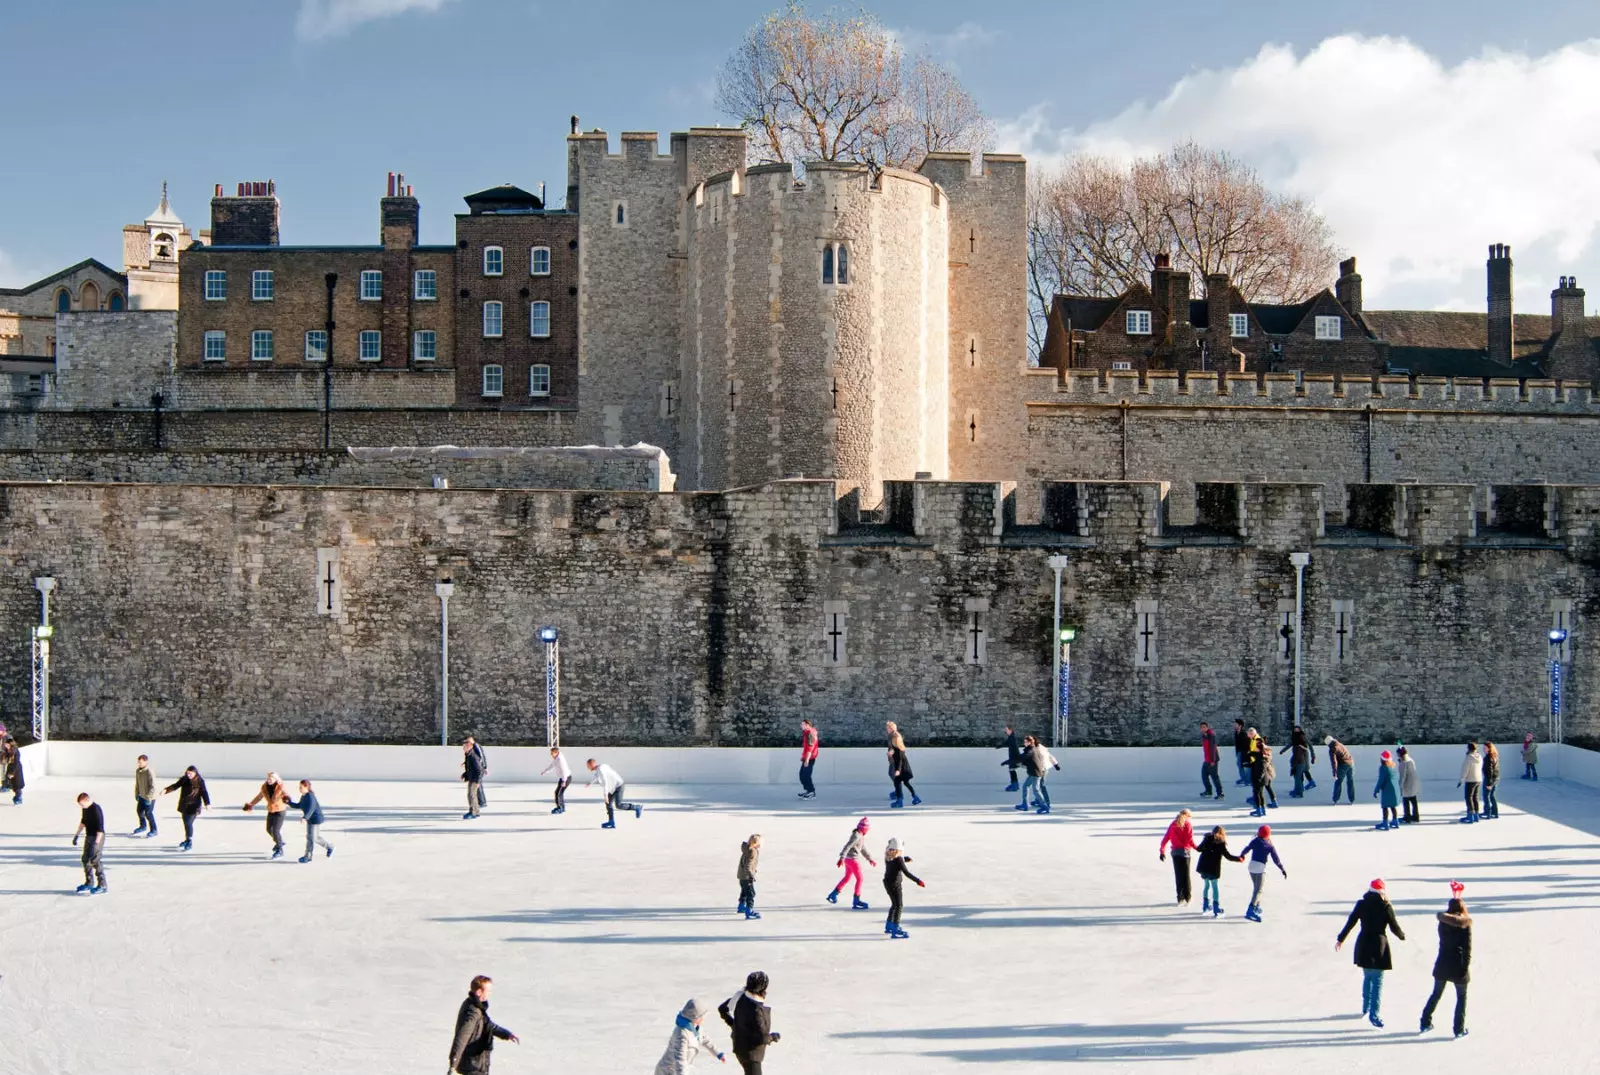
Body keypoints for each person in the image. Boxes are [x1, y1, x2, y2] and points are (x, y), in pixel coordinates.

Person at [1336, 878, 1407, 1028]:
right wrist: (1402, 936)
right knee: (1377, 980)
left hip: (1364, 944)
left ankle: (1366, 1008)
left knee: (1368, 976)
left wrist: (1340, 939)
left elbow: (1351, 922)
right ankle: (1374, 1014)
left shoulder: (1361, 904)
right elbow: (1394, 926)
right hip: (1379, 945)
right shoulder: (1385, 906)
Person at [1420, 890, 1472, 1038]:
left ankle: (1425, 1022)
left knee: (1436, 994)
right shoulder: (1465, 924)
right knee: (1461, 998)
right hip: (1458, 965)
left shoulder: (1442, 923)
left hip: (1442, 963)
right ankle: (1459, 1029)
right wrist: (1464, 968)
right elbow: (1467, 949)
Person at [448, 974, 519, 1074]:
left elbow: (488, 1025)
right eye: (488, 990)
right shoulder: (473, 1012)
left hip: (476, 1062)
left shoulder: (476, 1006)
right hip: (472, 1064)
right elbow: (462, 1037)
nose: (490, 993)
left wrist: (507, 1034)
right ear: (479, 992)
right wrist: (453, 1064)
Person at [718, 971, 780, 1075]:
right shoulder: (757, 1011)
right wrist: (773, 1037)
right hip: (751, 1055)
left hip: (740, 1048)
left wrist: (735, 1026)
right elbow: (762, 1038)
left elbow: (722, 1009)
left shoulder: (741, 996)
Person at [654, 998, 726, 1074]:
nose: (703, 1018)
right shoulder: (681, 1034)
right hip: (668, 1071)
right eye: (701, 1016)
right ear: (695, 1017)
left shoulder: (696, 1028)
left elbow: (705, 1040)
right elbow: (680, 1060)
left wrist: (718, 1054)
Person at [1239, 824, 1286, 922]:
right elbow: (1276, 860)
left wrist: (1242, 855)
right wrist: (1282, 869)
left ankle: (1256, 907)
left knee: (1256, 888)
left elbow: (1247, 848)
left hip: (1251, 867)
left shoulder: (1255, 840)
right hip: (1260, 868)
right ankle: (1250, 910)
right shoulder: (1269, 845)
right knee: (1258, 890)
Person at [826, 816, 876, 909]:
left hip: (848, 860)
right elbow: (848, 846)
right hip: (852, 860)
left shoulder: (859, 835)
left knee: (847, 877)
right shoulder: (857, 835)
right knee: (860, 879)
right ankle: (856, 900)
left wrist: (870, 859)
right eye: (867, 829)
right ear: (864, 828)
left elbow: (862, 848)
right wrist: (841, 857)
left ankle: (833, 894)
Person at [882, 837, 926, 938]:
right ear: (898, 849)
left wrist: (905, 859)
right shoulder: (898, 859)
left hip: (887, 883)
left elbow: (898, 861)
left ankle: (889, 925)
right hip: (895, 885)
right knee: (899, 906)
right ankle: (895, 928)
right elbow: (906, 872)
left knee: (894, 904)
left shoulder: (888, 856)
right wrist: (918, 881)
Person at [1195, 825, 1242, 917]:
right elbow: (1228, 856)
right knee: (1215, 886)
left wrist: (1205, 840)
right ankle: (1216, 908)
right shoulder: (1221, 843)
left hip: (1204, 867)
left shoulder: (1207, 838)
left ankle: (1205, 906)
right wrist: (1238, 859)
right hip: (1213, 869)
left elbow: (1199, 849)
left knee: (1206, 885)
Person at [243, 771, 292, 858]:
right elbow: (258, 797)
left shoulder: (280, 786)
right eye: (268, 778)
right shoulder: (264, 787)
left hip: (280, 811)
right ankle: (279, 841)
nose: (269, 780)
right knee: (269, 829)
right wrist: (251, 804)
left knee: (275, 830)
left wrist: (287, 798)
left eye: (271, 778)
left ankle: (279, 850)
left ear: (275, 779)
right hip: (271, 810)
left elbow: (286, 795)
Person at [161, 765, 210, 850]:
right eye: (188, 773)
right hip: (184, 806)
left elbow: (204, 792)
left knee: (188, 823)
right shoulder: (184, 779)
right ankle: (187, 839)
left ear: (195, 773)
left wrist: (207, 803)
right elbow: (175, 786)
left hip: (194, 806)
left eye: (190, 774)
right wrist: (166, 790)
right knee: (186, 824)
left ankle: (189, 841)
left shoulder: (200, 781)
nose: (189, 775)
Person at [286, 779, 334, 863]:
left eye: (301, 787)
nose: (299, 789)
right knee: (313, 838)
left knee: (312, 838)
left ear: (307, 787)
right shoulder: (304, 796)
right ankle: (328, 847)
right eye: (299, 787)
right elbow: (299, 805)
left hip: (315, 819)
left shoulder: (310, 796)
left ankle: (308, 856)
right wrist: (289, 802)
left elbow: (311, 809)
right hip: (310, 820)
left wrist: (305, 817)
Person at [586, 758, 641, 829]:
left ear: (592, 764)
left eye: (588, 766)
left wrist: (605, 795)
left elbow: (605, 782)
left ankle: (637, 807)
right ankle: (611, 821)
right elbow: (596, 776)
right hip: (613, 788)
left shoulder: (600, 770)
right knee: (608, 804)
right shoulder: (600, 768)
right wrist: (590, 783)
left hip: (618, 786)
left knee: (618, 805)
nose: (587, 768)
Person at [1159, 808, 1197, 906]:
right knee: (1186, 876)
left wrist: (1162, 852)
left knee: (1178, 876)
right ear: (1187, 816)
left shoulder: (1173, 824)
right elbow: (1189, 840)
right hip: (1185, 853)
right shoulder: (1187, 825)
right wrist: (1198, 848)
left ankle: (1180, 898)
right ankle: (1188, 897)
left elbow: (1165, 839)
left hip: (1175, 853)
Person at [72, 792, 107, 895]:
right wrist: (76, 835)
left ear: (87, 800)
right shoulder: (85, 808)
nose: (82, 807)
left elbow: (100, 829)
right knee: (85, 859)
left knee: (95, 859)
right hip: (89, 836)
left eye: (82, 804)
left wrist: (96, 844)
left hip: (98, 837)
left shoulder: (96, 809)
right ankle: (89, 882)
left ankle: (102, 885)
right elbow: (83, 822)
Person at [887, 725, 920, 807]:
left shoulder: (898, 751)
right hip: (905, 770)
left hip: (902, 770)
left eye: (893, 742)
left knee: (897, 782)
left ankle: (899, 801)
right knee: (906, 783)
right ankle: (915, 797)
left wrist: (897, 770)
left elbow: (899, 761)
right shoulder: (900, 749)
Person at [1281, 726, 1317, 798]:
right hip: (1298, 755)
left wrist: (1313, 756)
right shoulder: (1294, 738)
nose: (1296, 731)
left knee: (1302, 770)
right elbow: (1290, 744)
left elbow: (1309, 745)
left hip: (1303, 755)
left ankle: (1302, 788)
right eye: (1295, 730)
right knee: (1301, 771)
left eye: (1298, 730)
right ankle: (1300, 788)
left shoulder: (1302, 736)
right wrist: (1283, 750)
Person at [1015, 734, 1044, 813]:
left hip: (1035, 773)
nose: (1024, 743)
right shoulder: (1034, 749)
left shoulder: (1031, 750)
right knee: (1026, 786)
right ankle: (1025, 804)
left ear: (1030, 742)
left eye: (1025, 742)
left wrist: (1016, 759)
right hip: (1034, 772)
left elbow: (1025, 756)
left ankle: (1044, 806)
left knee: (1036, 790)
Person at [1031, 737, 1061, 814]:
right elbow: (1050, 756)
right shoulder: (1041, 748)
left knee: (1041, 786)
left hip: (1042, 769)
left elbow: (1047, 757)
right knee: (1038, 785)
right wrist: (1056, 764)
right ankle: (1038, 800)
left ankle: (1046, 802)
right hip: (1043, 769)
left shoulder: (1038, 749)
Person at [1373, 750, 1400, 830]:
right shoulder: (1393, 766)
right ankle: (1395, 821)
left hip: (1387, 790)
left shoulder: (1383, 768)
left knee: (1385, 806)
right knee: (1393, 806)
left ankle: (1385, 823)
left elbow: (1381, 780)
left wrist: (1376, 790)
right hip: (1394, 789)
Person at [737, 833, 762, 920]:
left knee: (744, 891)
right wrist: (751, 876)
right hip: (747, 876)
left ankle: (741, 906)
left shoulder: (747, 849)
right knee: (751, 893)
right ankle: (749, 911)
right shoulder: (753, 852)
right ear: (756, 843)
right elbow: (748, 865)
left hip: (741, 875)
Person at [1457, 742, 1483, 823]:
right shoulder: (1479, 756)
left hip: (1471, 780)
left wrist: (1461, 780)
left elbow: (1465, 769)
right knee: (1475, 797)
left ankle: (1470, 815)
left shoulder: (1469, 757)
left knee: (1469, 797)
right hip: (1478, 779)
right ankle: (1476, 815)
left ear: (1469, 748)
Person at [541, 746, 571, 815]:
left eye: (552, 753)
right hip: (564, 778)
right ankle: (561, 807)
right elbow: (552, 766)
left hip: (566, 778)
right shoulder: (557, 758)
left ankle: (560, 808)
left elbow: (564, 770)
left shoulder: (560, 759)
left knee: (558, 793)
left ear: (556, 753)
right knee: (558, 792)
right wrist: (545, 771)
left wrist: (564, 781)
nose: (551, 755)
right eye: (551, 753)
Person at [1326, 736, 1356, 803]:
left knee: (1338, 781)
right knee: (1350, 781)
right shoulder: (1340, 744)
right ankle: (1352, 799)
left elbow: (1334, 762)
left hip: (1343, 765)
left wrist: (1334, 773)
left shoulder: (1332, 749)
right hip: (1350, 763)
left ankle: (1335, 799)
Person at [461, 740, 485, 820]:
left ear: (470, 746)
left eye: (465, 746)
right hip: (472, 778)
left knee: (472, 795)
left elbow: (479, 770)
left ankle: (474, 812)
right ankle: (473, 810)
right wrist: (465, 774)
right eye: (463, 746)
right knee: (470, 795)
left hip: (475, 779)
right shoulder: (468, 755)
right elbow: (469, 768)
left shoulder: (473, 756)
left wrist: (478, 781)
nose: (463, 748)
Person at [465, 735, 489, 809]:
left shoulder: (476, 746)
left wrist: (484, 767)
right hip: (476, 769)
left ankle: (482, 802)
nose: (467, 742)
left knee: (477, 786)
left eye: (468, 741)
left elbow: (481, 757)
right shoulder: (470, 747)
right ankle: (481, 802)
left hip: (479, 769)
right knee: (477, 786)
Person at [1199, 722, 1222, 799]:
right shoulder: (1204, 735)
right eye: (1202, 727)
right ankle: (1208, 791)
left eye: (1204, 727)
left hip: (1212, 760)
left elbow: (1213, 748)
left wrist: (1212, 760)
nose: (1203, 728)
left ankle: (1220, 793)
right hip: (1207, 760)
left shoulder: (1211, 735)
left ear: (1207, 727)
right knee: (1204, 775)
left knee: (1214, 777)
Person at [1398, 747, 1421, 824]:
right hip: (1414, 783)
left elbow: (1402, 776)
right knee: (1413, 800)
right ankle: (1416, 816)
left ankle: (1407, 817)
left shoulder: (1403, 763)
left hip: (1407, 784)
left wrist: (1400, 786)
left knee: (1406, 800)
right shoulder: (1410, 760)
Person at [798, 719, 820, 799]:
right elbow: (806, 747)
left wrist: (807, 759)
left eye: (803, 724)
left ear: (808, 725)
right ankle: (808, 790)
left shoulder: (810, 733)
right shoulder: (807, 733)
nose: (801, 726)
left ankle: (811, 792)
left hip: (809, 758)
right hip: (807, 757)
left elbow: (810, 747)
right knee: (802, 775)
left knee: (806, 776)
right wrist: (803, 757)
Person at [1481, 742, 1501, 820]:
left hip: (1489, 779)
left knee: (1486, 796)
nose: (1483, 749)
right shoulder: (1494, 756)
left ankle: (1488, 813)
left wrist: (1489, 783)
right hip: (1495, 778)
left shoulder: (1488, 758)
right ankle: (1495, 812)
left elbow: (1489, 771)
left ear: (1489, 748)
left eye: (1485, 748)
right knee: (1492, 796)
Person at [1000, 724, 1022, 792]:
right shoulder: (1011, 737)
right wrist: (999, 746)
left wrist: (1016, 758)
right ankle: (1015, 784)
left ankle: (1015, 785)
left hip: (1014, 757)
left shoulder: (1012, 738)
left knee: (1012, 770)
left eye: (1006, 730)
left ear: (1010, 730)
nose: (1005, 731)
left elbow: (1013, 747)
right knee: (1011, 770)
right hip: (1013, 756)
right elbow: (1007, 743)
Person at [2, 736, 24, 805]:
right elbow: (4, 759)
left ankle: (19, 798)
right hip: (10, 768)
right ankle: (16, 796)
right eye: (5, 745)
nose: (6, 746)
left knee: (17, 785)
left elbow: (16, 763)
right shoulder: (8, 751)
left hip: (16, 769)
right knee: (13, 785)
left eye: (7, 745)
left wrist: (12, 773)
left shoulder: (16, 751)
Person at [1232, 719, 1250, 786]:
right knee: (1239, 765)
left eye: (1236, 724)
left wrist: (1244, 754)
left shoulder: (1243, 733)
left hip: (1243, 752)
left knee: (1241, 765)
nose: (1234, 725)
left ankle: (1246, 780)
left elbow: (1246, 745)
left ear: (1240, 726)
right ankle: (1243, 778)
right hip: (1239, 752)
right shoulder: (1236, 733)